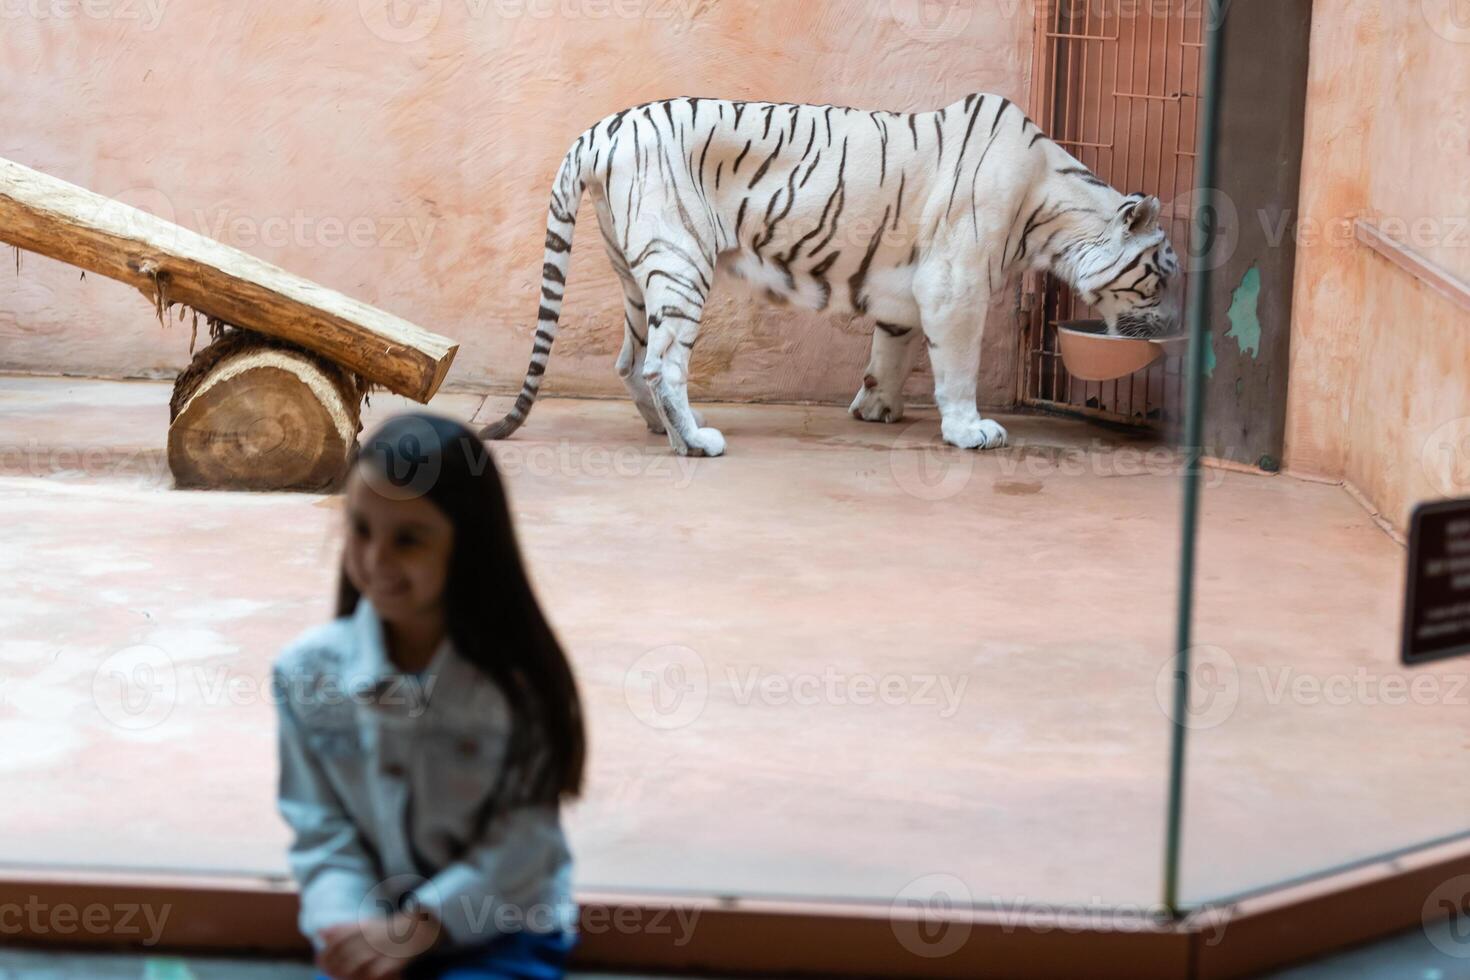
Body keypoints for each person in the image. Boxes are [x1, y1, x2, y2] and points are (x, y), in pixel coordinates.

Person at [273, 413, 586, 980]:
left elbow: (523, 846)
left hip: (505, 928)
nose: (375, 561)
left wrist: (420, 928)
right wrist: (350, 929)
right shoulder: (303, 675)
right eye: (361, 529)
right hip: (369, 928)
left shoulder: (517, 687)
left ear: (466, 547)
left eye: (409, 539)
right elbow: (323, 832)